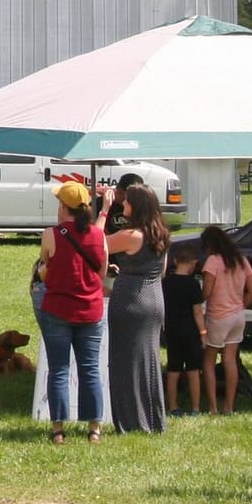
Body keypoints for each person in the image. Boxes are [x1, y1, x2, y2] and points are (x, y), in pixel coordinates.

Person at [35, 180, 105, 444]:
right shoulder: (99, 235)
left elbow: (45, 265)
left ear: (63, 207)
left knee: (59, 370)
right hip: (90, 309)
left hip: (58, 309)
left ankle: (58, 430)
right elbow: (101, 271)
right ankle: (94, 428)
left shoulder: (51, 234)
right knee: (90, 369)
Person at [105, 185, 169, 434]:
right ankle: (152, 419)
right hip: (154, 299)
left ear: (136, 205)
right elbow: (162, 271)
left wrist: (104, 210)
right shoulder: (161, 234)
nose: (123, 205)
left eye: (127, 201)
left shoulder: (131, 235)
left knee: (125, 363)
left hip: (131, 300)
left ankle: (131, 421)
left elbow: (95, 244)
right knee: (149, 361)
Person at [199, 224, 252, 416]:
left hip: (218, 316)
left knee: (209, 360)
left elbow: (207, 292)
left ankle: (213, 407)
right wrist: (241, 305)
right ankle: (229, 407)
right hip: (237, 316)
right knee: (230, 361)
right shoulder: (241, 260)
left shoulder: (212, 262)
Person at [161, 243, 206, 417]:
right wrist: (203, 332)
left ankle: (173, 406)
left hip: (172, 330)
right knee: (193, 370)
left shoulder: (165, 283)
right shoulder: (193, 284)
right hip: (191, 331)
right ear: (193, 262)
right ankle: (195, 407)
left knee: (173, 370)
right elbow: (197, 312)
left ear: (175, 261)